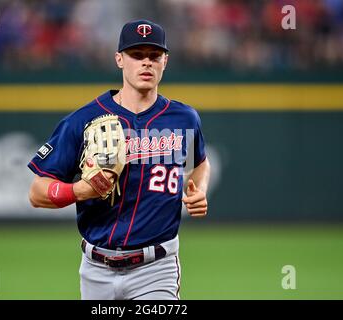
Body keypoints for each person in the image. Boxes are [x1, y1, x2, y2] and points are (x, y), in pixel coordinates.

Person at [28, 19, 210, 300]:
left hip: (156, 268)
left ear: (165, 61)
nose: (146, 63)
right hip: (95, 270)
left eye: (154, 56)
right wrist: (80, 191)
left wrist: (198, 189)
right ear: (119, 60)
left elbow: (200, 163)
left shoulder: (184, 119)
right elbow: (37, 192)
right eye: (137, 55)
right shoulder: (84, 120)